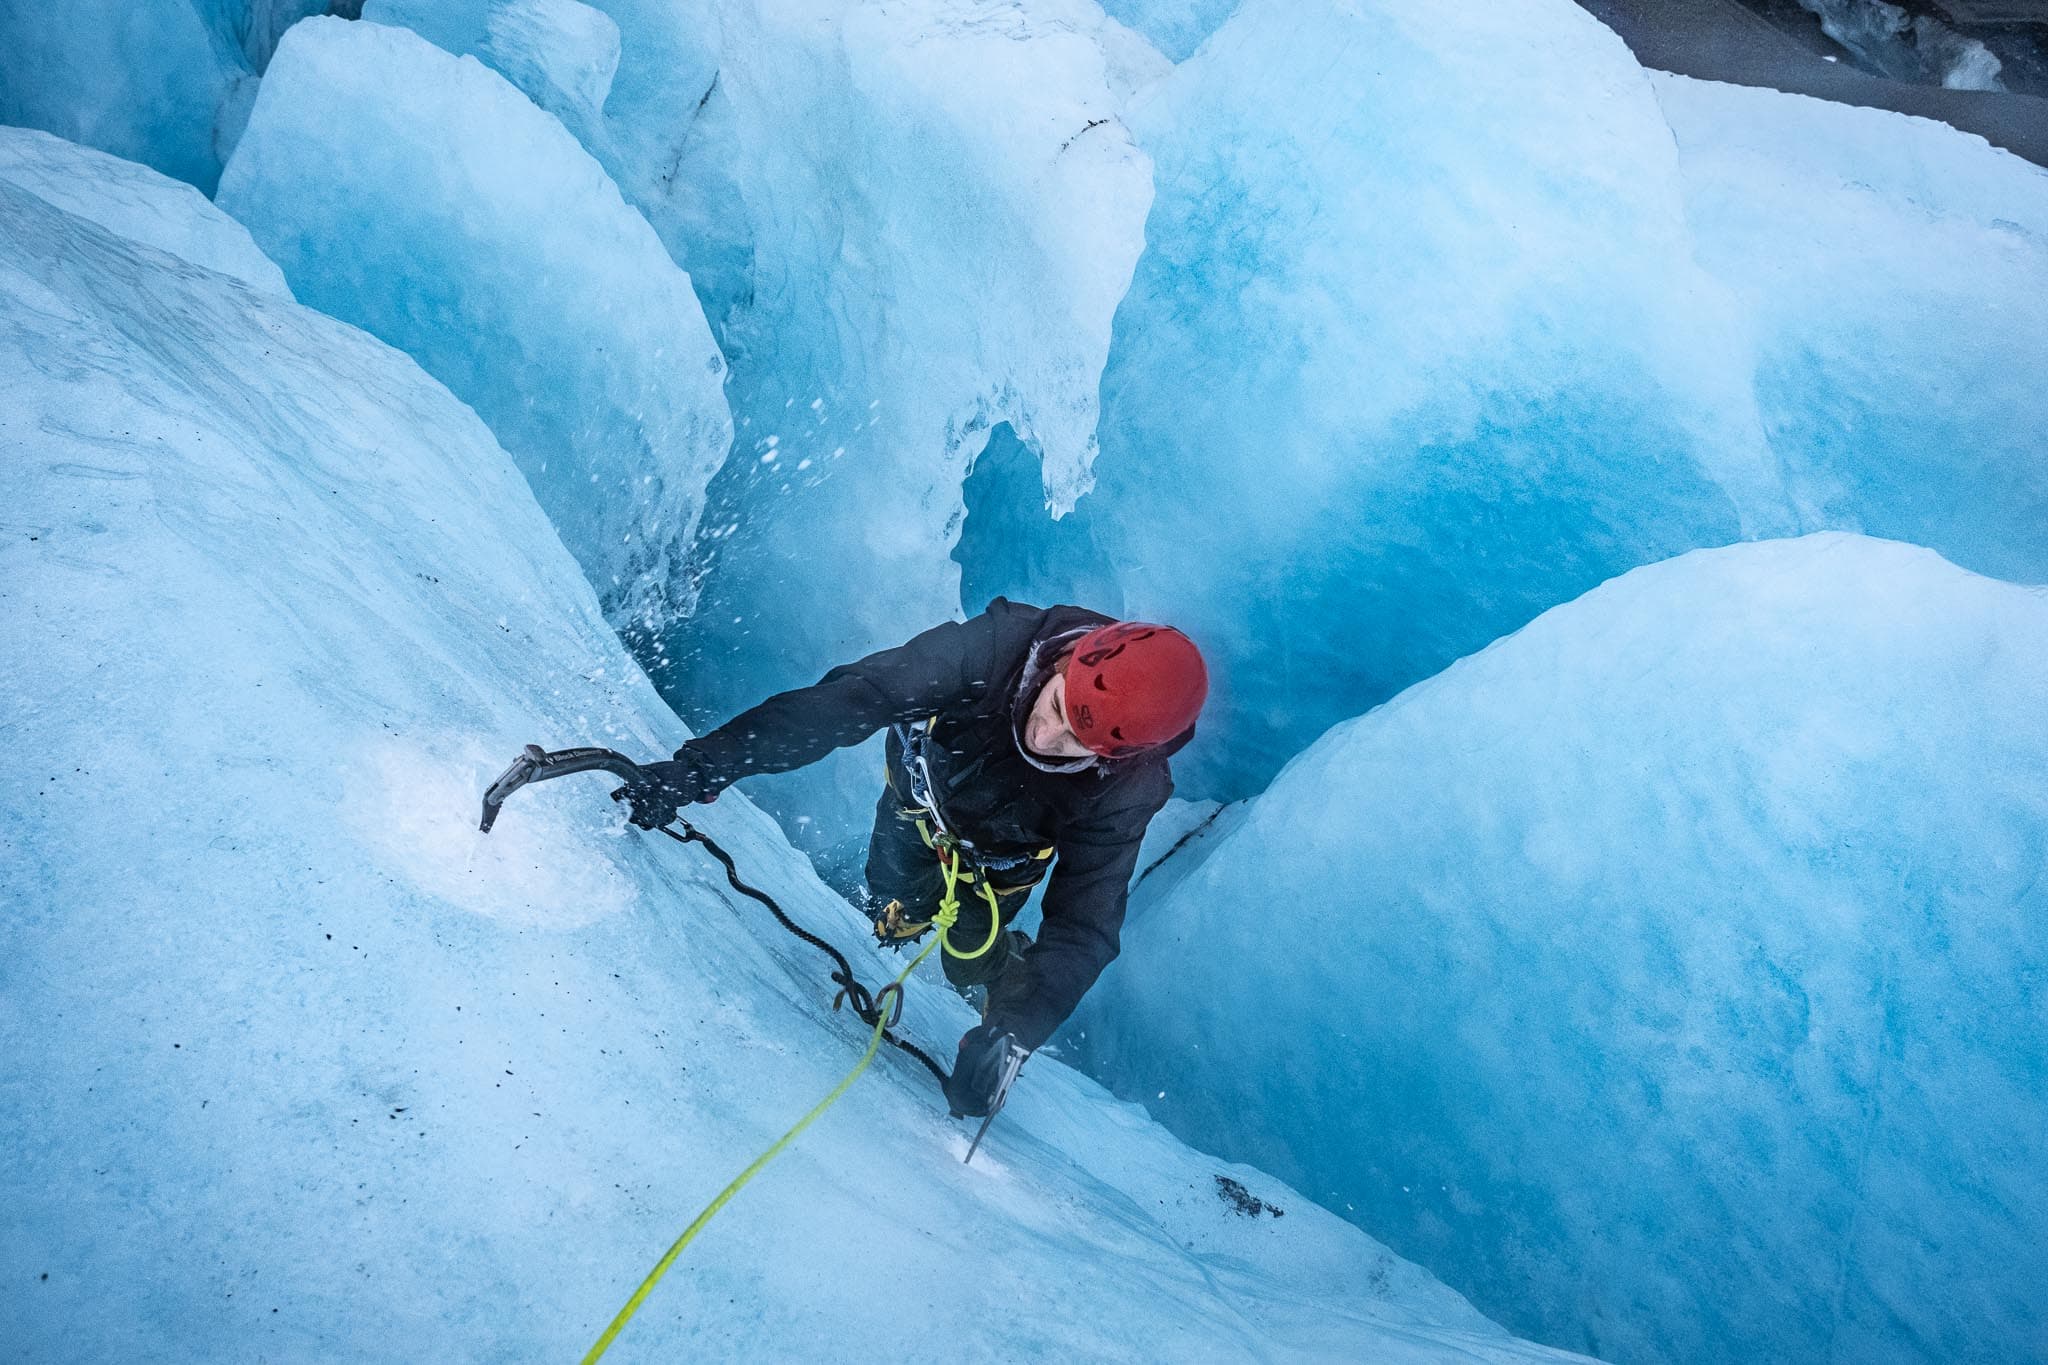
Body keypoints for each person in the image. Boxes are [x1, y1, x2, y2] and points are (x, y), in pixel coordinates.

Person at [611, 597, 1208, 1119]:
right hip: (919, 805)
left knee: (968, 961)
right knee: (891, 897)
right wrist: (703, 768)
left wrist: (1012, 1033)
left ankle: (1001, 970)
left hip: (1002, 865)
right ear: (1061, 664)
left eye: (1076, 743)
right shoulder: (995, 649)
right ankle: (925, 924)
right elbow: (855, 700)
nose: (1045, 739)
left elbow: (1085, 921)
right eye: (1054, 708)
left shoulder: (1124, 789)